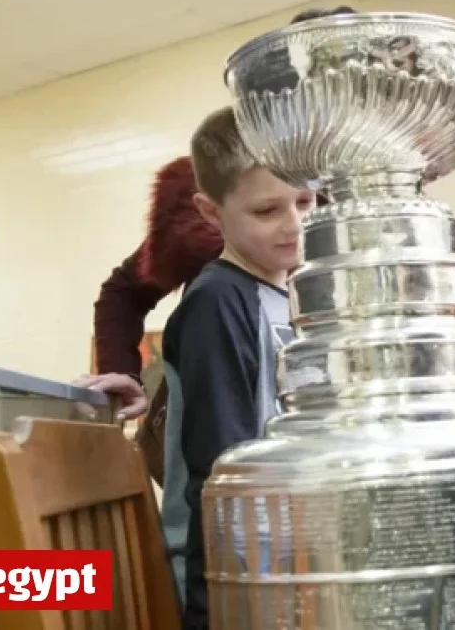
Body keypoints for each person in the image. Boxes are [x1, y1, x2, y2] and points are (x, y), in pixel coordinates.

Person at [79, 5, 359, 473]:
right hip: (225, 454)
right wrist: (125, 375)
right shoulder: (230, 187)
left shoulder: (371, 200)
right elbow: (123, 291)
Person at [161, 106, 317, 629]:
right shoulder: (218, 302)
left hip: (292, 566)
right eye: (267, 210)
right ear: (211, 213)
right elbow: (222, 469)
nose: (295, 224)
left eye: (304, 200)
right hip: (232, 582)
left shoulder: (289, 294)